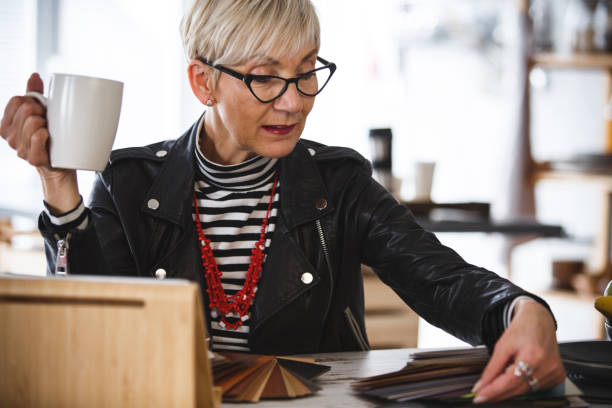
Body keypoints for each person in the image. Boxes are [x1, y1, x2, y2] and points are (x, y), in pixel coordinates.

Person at [0, 0, 565, 403]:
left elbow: (442, 279)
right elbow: (98, 333)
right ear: (204, 83)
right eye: (266, 78)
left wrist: (523, 311)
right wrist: (58, 183)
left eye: (305, 71)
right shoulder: (128, 184)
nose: (294, 102)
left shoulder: (337, 184)